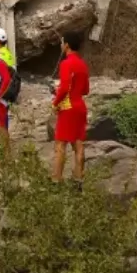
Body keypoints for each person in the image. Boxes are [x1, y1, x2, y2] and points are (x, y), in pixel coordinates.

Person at [51, 31, 91, 182]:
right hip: (80, 106)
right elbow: (86, 90)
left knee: (60, 144)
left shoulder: (66, 63)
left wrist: (55, 103)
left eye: (62, 42)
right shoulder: (82, 64)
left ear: (66, 45)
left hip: (68, 107)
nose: (61, 45)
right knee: (79, 144)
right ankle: (79, 179)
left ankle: (56, 180)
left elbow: (65, 87)